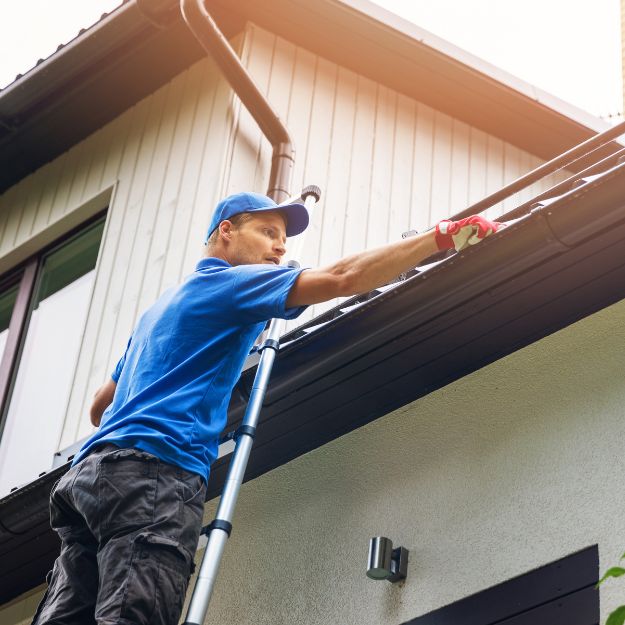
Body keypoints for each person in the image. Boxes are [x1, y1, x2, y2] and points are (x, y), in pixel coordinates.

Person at [32, 192, 504, 625]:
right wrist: (440, 235)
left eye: (283, 239)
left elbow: (99, 406)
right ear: (226, 232)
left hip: (88, 480)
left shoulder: (158, 311)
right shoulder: (233, 284)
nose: (280, 248)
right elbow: (344, 277)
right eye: (268, 233)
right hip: (154, 474)